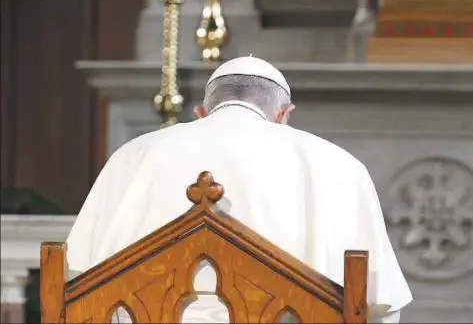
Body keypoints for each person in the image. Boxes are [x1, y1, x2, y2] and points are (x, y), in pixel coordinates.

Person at [66, 56, 412, 323]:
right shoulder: (339, 165)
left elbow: (76, 279)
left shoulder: (135, 154)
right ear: (283, 114)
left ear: (203, 112)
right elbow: (379, 302)